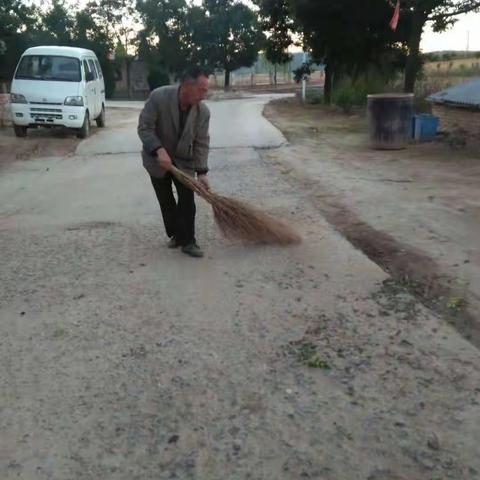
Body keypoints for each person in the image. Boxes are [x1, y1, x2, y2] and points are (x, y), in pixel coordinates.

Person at [138, 67, 211, 258]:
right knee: (166, 201)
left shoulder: (203, 112)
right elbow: (144, 128)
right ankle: (177, 235)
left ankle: (188, 241)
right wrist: (158, 150)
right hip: (156, 159)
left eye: (206, 90)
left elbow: (201, 142)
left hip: (184, 161)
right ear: (188, 86)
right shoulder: (158, 97)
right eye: (202, 90)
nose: (205, 95)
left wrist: (202, 172)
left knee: (187, 199)